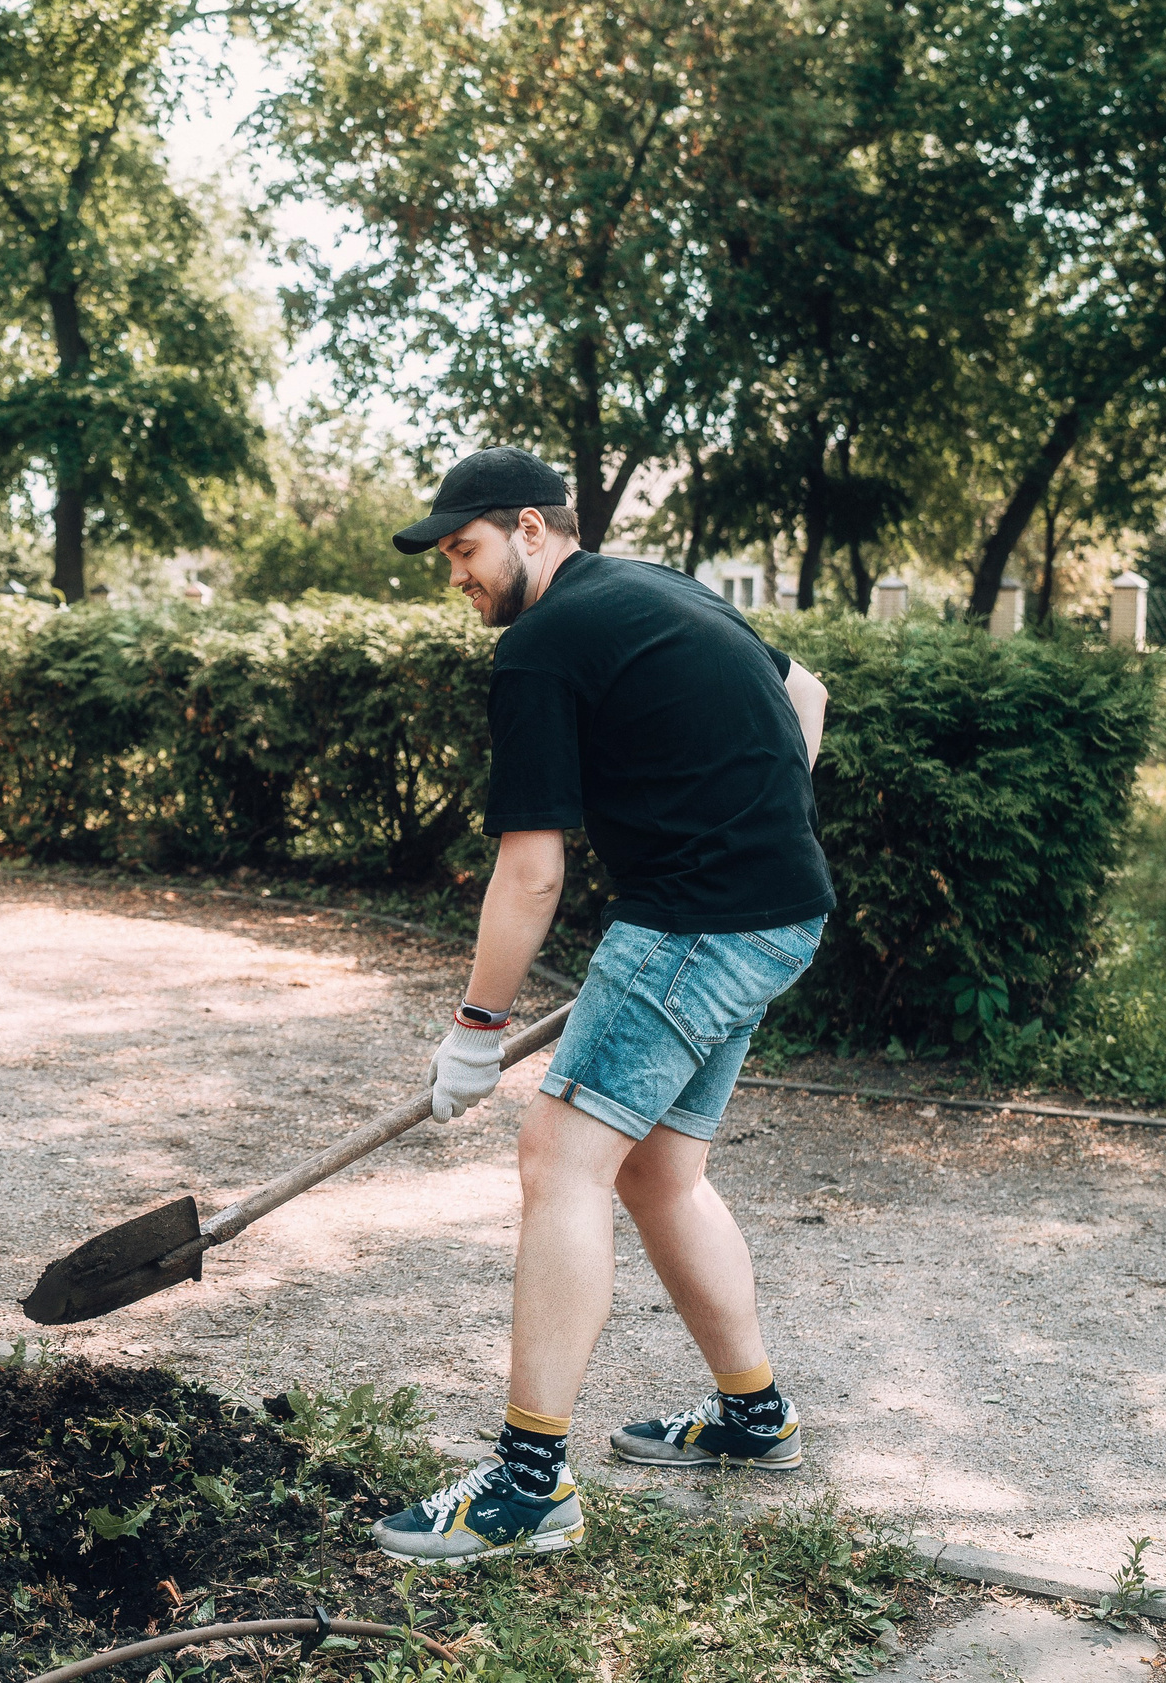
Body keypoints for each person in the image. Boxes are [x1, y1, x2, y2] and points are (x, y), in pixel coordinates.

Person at [367, 447, 835, 1566]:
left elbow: (531, 874)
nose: (457, 577)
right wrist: (756, 822)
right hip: (781, 911)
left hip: (694, 922)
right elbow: (805, 694)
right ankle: (755, 1416)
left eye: (466, 551)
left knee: (558, 1157)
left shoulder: (540, 644)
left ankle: (529, 1486)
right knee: (660, 1171)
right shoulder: (652, 586)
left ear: (530, 528)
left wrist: (475, 1030)